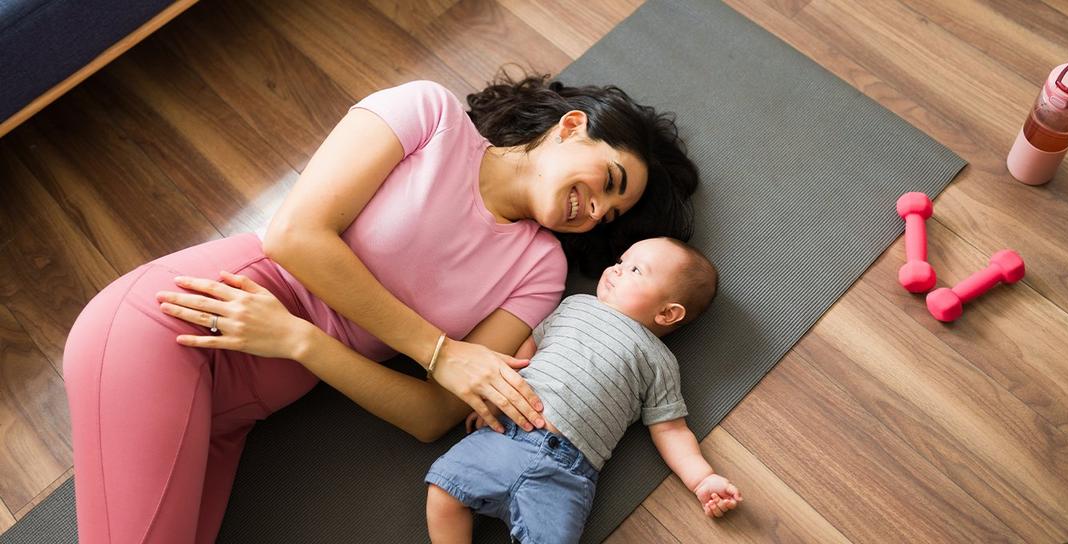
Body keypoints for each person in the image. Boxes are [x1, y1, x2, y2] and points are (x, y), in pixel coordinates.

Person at [61, 73, 699, 544]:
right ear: (571, 127)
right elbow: (293, 236)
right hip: (180, 321)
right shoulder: (429, 115)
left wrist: (303, 344)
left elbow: (431, 415)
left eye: (608, 216)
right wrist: (439, 351)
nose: (593, 211)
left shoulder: (540, 271)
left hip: (235, 413)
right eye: (606, 182)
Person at [424, 237, 741, 544]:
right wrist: (497, 396)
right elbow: (528, 351)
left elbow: (671, 428)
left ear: (667, 313)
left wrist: (702, 478)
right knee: (444, 490)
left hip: (567, 474)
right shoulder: (574, 305)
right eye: (620, 261)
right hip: (507, 432)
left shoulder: (659, 361)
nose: (617, 268)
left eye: (635, 270)